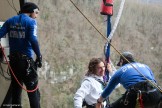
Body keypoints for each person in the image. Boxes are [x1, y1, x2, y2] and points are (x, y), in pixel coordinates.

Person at [0, 2, 42, 108]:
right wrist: (39, 56)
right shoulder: (31, 22)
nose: (36, 16)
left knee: (16, 93)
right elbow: (33, 40)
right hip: (26, 62)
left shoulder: (10, 21)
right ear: (30, 12)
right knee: (33, 94)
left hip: (13, 62)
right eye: (36, 12)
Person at [96, 51, 162, 108]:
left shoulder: (120, 71)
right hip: (155, 94)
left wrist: (99, 101)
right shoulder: (145, 66)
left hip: (136, 95)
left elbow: (109, 89)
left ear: (122, 61)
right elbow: (154, 82)